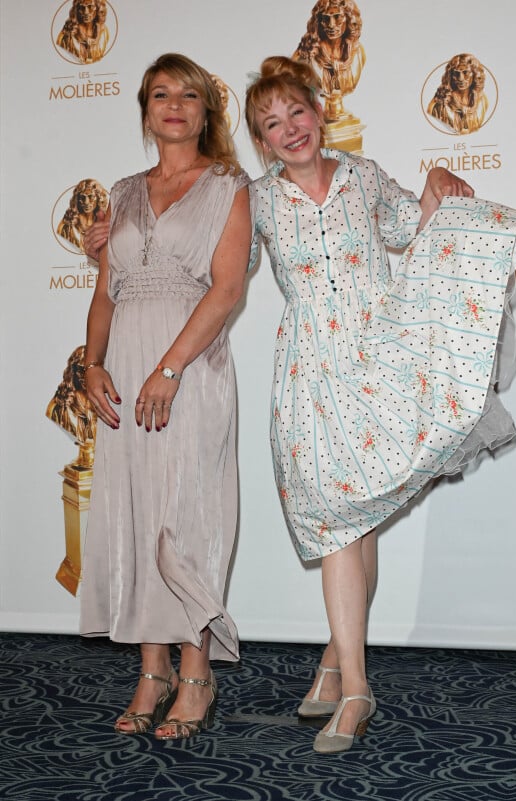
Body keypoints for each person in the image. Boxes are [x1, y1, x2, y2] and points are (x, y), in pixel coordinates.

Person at [245, 56, 516, 753]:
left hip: (380, 365)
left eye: (297, 112)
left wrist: (436, 181)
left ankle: (351, 685)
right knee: (345, 524)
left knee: (358, 520)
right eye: (271, 123)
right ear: (260, 139)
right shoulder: (254, 201)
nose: (290, 130)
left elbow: (416, 229)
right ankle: (343, 670)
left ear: (319, 110)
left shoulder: (364, 176)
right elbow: (214, 269)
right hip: (309, 375)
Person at [80, 52, 252, 741]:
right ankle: (151, 671)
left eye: (188, 94)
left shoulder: (229, 185)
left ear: (208, 111)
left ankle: (195, 671)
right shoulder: (120, 192)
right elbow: (104, 293)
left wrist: (171, 369)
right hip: (123, 369)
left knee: (187, 516)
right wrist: (90, 364)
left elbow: (228, 288)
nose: (173, 104)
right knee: (137, 511)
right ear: (146, 110)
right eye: (159, 94)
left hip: (191, 370)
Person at [293, 0, 365, 122]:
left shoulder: (357, 53)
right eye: (325, 18)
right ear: (318, 22)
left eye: (337, 17)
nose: (331, 25)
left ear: (348, 19)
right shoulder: (307, 54)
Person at [427, 53, 489, 135]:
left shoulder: (482, 100)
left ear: (475, 74)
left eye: (465, 72)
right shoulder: (442, 101)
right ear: (451, 75)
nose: (460, 78)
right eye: (456, 73)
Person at [56, 178, 108, 253]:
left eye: (91, 197)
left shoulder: (105, 223)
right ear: (77, 199)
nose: (86, 202)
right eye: (82, 197)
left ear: (99, 198)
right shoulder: (67, 225)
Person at [56, 0, 110, 64]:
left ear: (98, 9)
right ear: (77, 9)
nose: (86, 12)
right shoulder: (67, 32)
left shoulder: (103, 32)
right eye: (82, 8)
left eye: (90, 7)